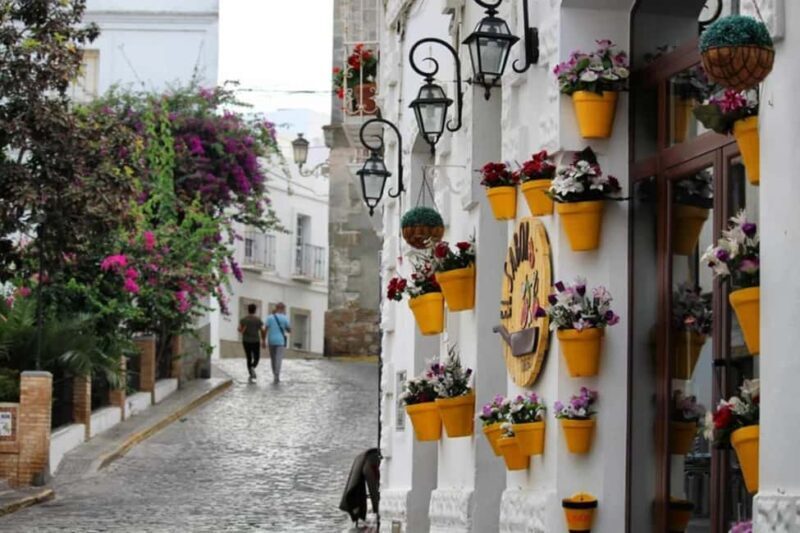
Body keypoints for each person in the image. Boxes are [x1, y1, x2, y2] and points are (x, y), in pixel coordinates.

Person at [265, 302, 291, 383]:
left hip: (271, 341)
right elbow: (289, 330)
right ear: (283, 309)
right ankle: (277, 375)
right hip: (280, 341)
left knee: (273, 359)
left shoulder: (269, 317)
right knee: (278, 359)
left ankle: (274, 374)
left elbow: (265, 329)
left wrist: (263, 340)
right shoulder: (285, 318)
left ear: (276, 308)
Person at [238, 303, 265, 381]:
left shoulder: (243, 320)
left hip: (246, 341)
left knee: (248, 357)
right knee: (257, 357)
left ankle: (250, 373)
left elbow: (240, 330)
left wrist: (242, 329)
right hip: (255, 341)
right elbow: (262, 330)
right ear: (255, 310)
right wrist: (263, 340)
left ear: (248, 310)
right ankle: (253, 367)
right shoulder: (258, 320)